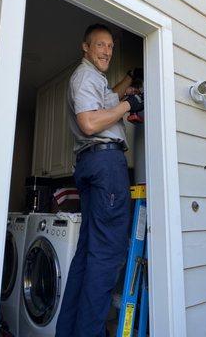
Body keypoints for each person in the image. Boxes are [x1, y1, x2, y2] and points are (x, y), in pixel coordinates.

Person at [55, 24, 144, 337]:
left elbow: (109, 98)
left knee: (88, 255)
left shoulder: (95, 80)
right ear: (86, 47)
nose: (107, 51)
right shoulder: (84, 76)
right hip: (105, 163)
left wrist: (129, 83)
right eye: (100, 45)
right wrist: (128, 106)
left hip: (93, 164)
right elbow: (90, 122)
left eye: (110, 46)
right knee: (106, 256)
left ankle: (70, 331)